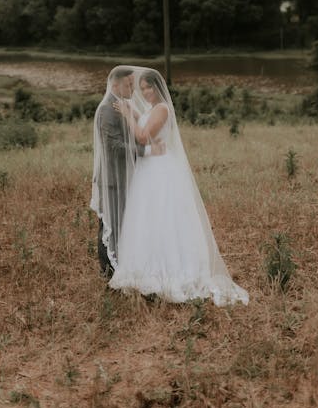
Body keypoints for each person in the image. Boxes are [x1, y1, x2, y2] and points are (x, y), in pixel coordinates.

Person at [107, 66, 249, 307]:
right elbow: (144, 129)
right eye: (142, 88)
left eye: (148, 87)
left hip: (160, 169)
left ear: (158, 88)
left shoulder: (162, 109)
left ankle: (172, 272)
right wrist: (132, 110)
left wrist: (128, 115)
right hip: (148, 168)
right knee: (147, 217)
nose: (145, 92)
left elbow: (142, 136)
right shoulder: (151, 108)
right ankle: (144, 271)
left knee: (165, 217)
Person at [90, 66, 164, 276]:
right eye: (129, 84)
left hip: (125, 177)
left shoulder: (123, 105)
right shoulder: (106, 109)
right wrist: (148, 150)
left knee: (121, 225)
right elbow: (114, 147)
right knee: (109, 226)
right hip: (112, 179)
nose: (133, 88)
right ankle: (108, 272)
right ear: (115, 85)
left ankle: (119, 266)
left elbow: (137, 132)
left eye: (134, 84)